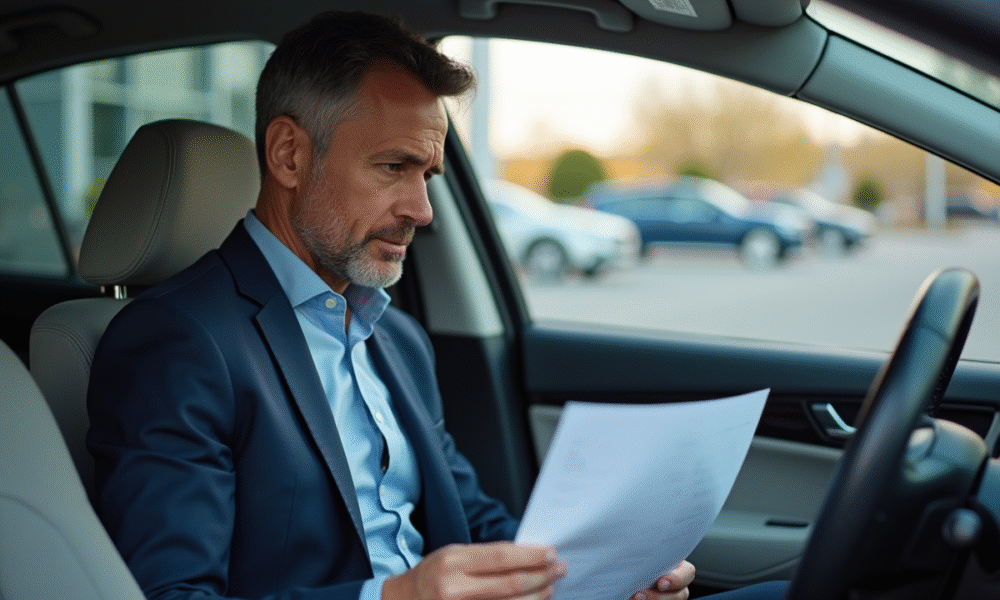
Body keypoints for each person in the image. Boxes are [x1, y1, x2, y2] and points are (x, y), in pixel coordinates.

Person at [87, 11, 787, 600]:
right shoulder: (178, 341)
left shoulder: (398, 341)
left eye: (429, 174)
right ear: (289, 156)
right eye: (394, 167)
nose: (422, 210)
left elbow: (474, 519)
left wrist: (601, 572)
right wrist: (394, 598)